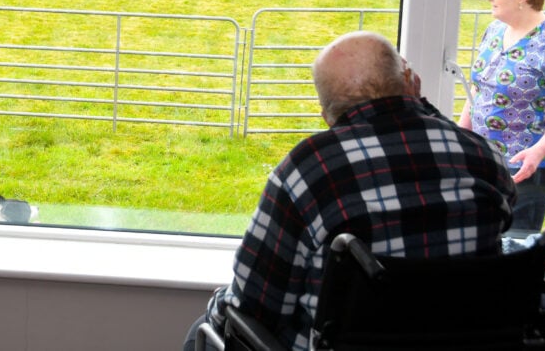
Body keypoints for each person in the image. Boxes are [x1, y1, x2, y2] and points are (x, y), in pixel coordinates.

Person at [184, 31, 516, 351]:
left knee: (202, 330)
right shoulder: (483, 155)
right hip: (462, 339)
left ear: (327, 114)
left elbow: (257, 304)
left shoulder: (310, 168)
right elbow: (507, 211)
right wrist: (419, 104)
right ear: (411, 83)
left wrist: (216, 309)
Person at [459, 0, 545, 233]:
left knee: (514, 250)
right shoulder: (495, 30)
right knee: (482, 239)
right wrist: (461, 136)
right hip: (485, 162)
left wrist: (538, 151)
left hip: (526, 171)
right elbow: (479, 88)